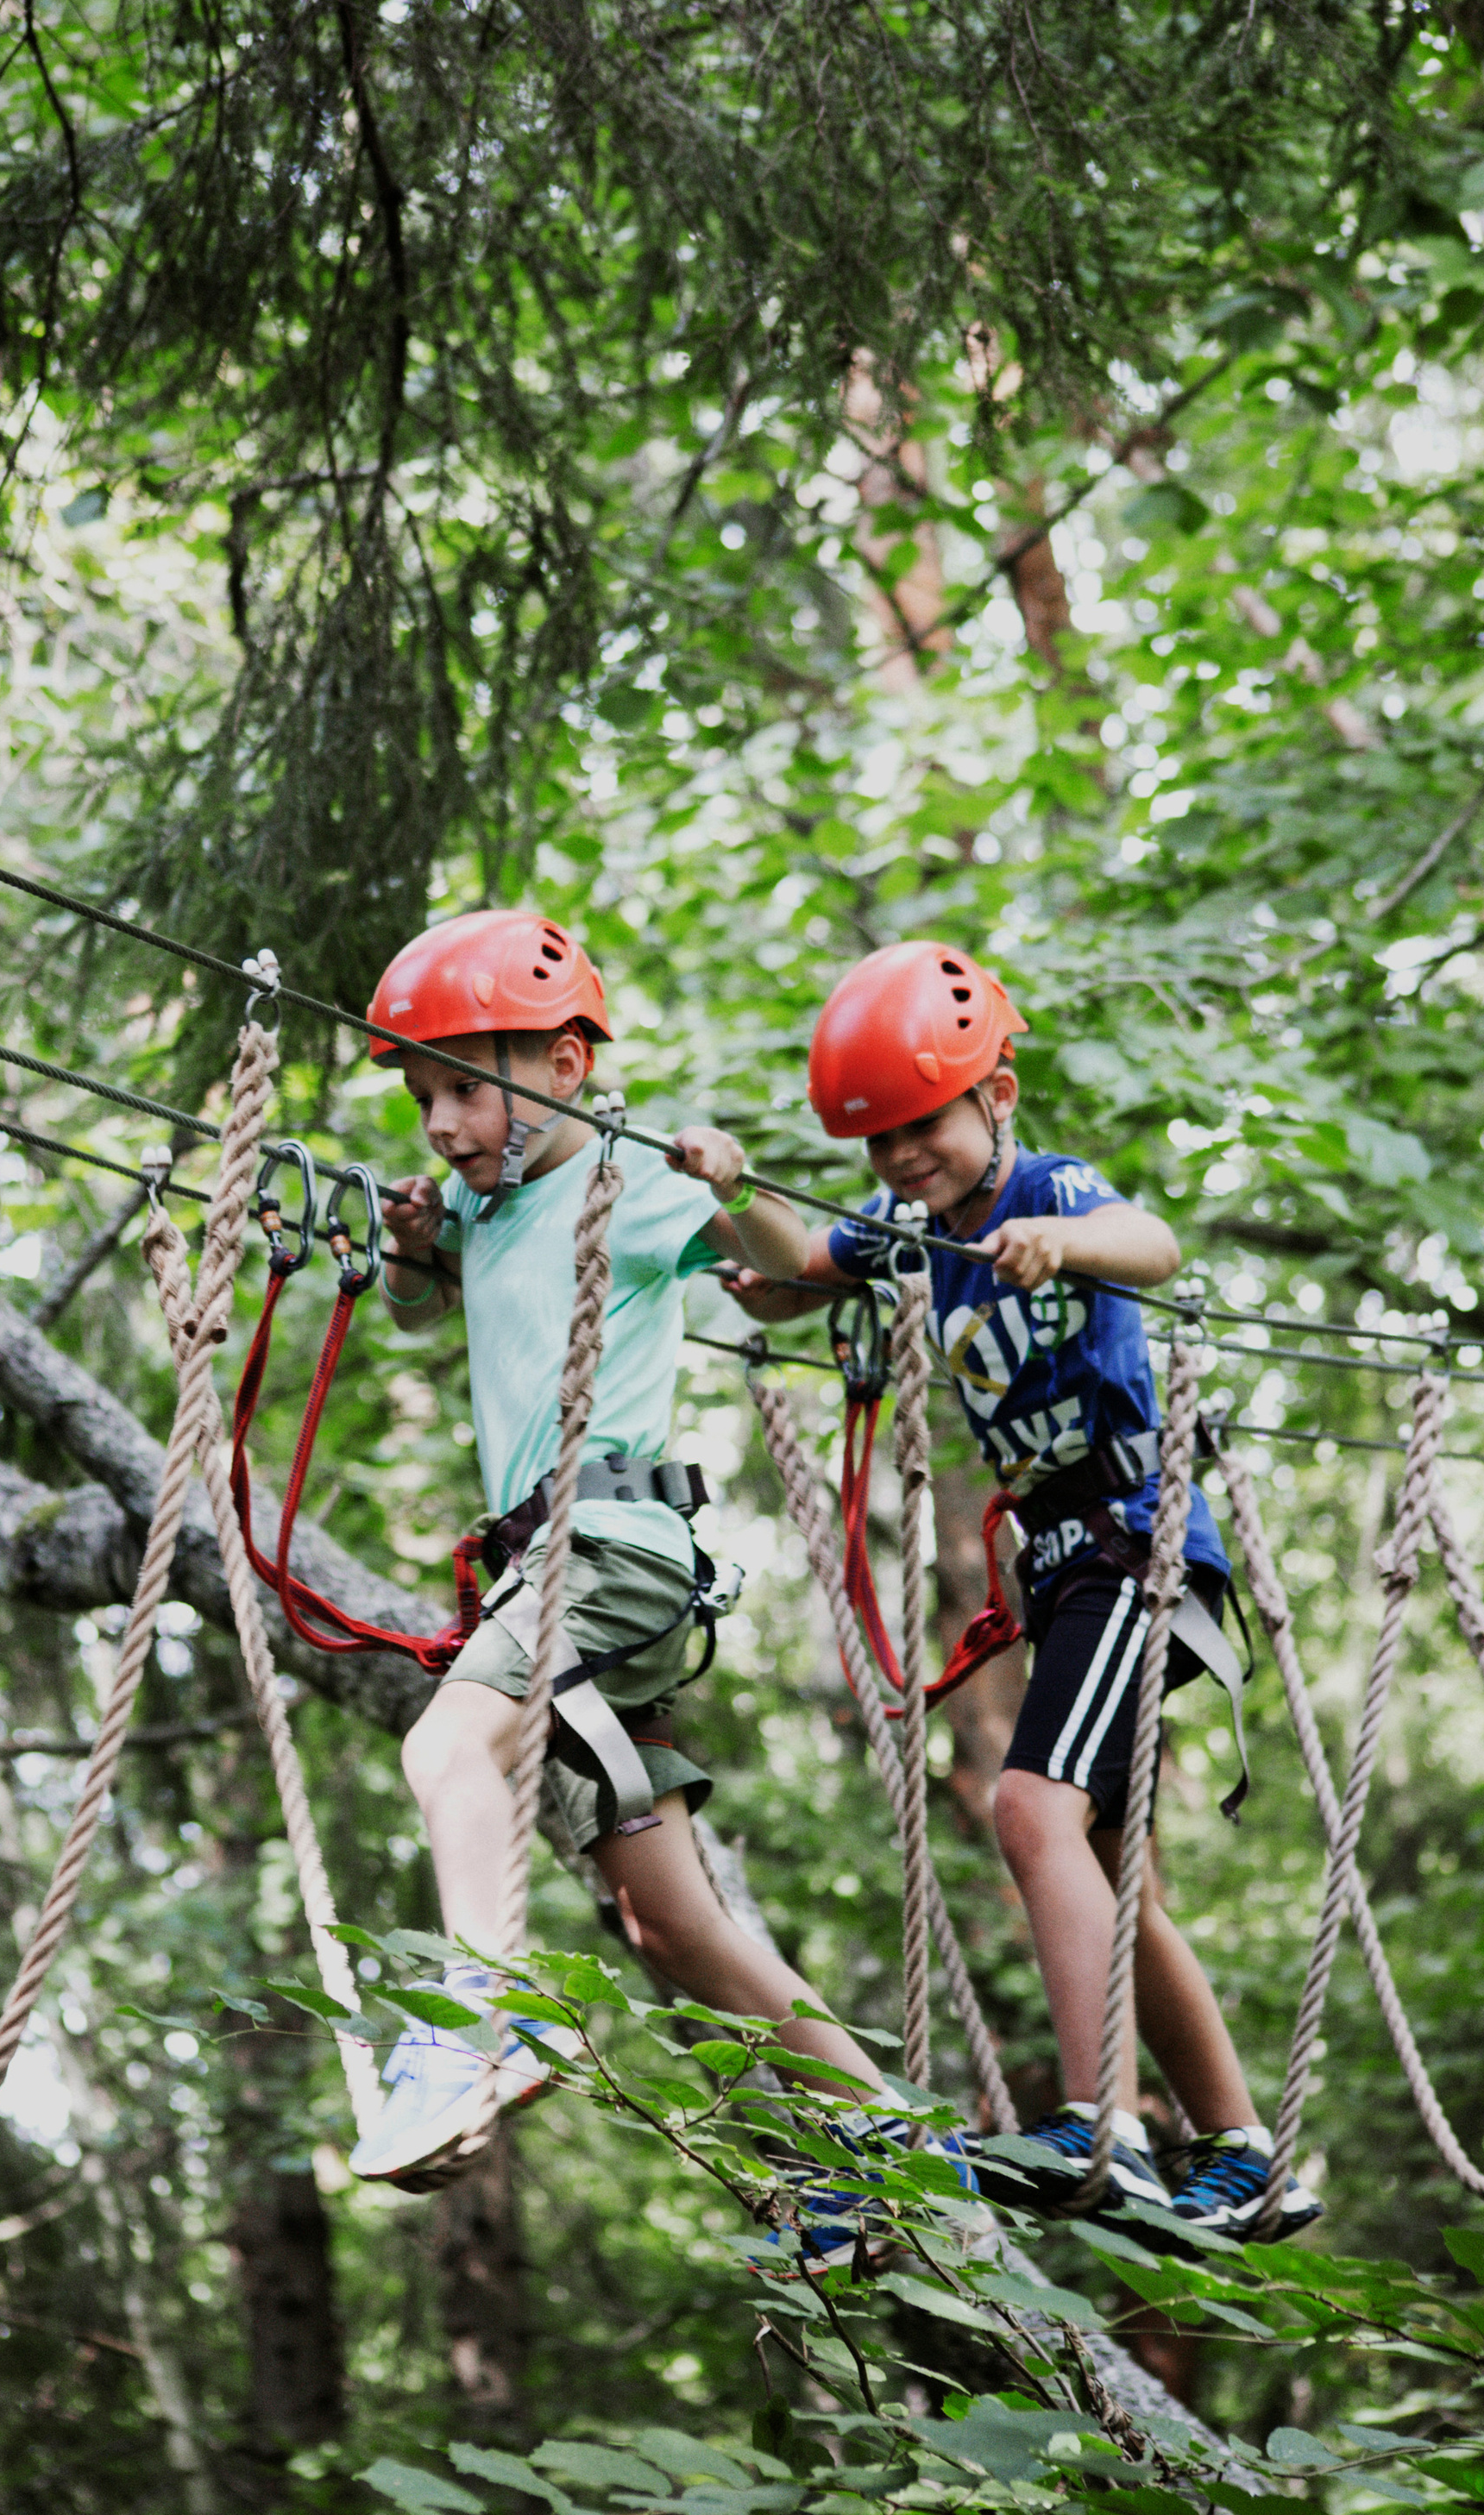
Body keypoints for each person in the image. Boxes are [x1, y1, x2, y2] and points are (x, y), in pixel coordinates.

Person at [350, 908, 974, 2266]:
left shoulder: (633, 1185)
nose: (441, 1124)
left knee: (450, 1744)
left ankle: (485, 2020)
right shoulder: (480, 1203)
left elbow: (796, 1283)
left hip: (614, 1546)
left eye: (464, 1088)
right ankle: (885, 2145)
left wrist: (738, 1185)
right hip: (548, 1568)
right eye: (422, 1100)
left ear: (564, 1067)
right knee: (667, 1914)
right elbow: (417, 1306)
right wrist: (409, 1242)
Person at [732, 939, 1318, 2247]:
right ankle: (1242, 2150)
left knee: (1029, 1805)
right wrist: (731, 1197)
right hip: (1062, 1570)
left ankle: (1101, 2125)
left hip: (1135, 1546)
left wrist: (1062, 1238)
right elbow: (802, 1259)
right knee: (1109, 1867)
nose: (899, 1157)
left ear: (993, 1093)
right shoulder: (916, 1239)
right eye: (876, 1138)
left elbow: (1150, 1241)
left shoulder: (1046, 1190)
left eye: (920, 1124)